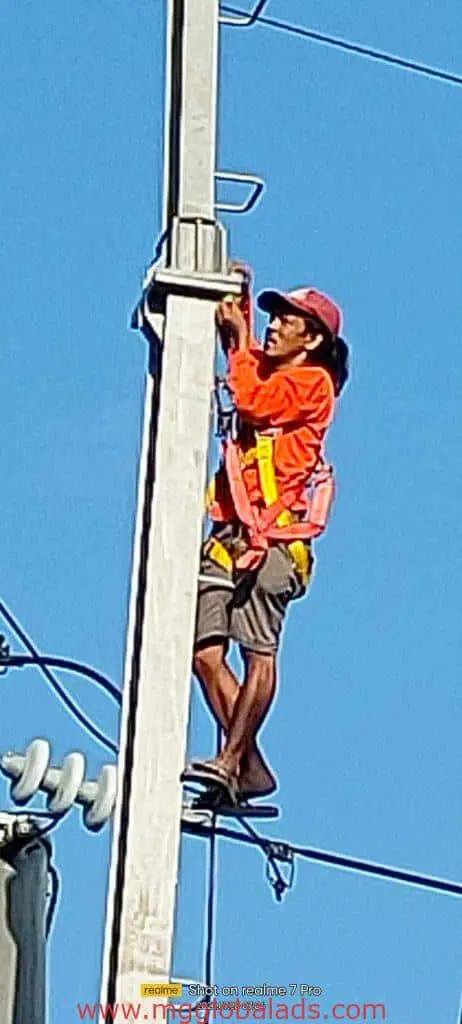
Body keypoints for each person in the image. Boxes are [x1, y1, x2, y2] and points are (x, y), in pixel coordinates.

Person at [189, 283, 349, 804]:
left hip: (274, 538)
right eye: (275, 316)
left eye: (287, 319)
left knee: (258, 653)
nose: (275, 325)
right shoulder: (273, 369)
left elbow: (254, 401)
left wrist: (238, 342)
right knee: (204, 652)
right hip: (231, 535)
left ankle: (233, 759)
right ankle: (248, 765)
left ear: (313, 338)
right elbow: (249, 365)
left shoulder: (313, 384)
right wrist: (241, 297)